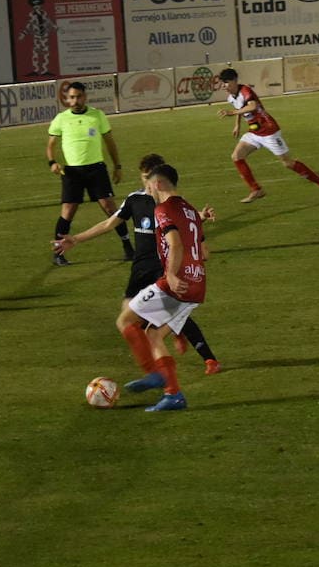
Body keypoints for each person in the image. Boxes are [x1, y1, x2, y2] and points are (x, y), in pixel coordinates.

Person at [54, 153, 222, 376]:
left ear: (157, 179)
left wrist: (199, 217)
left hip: (164, 267)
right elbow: (108, 223)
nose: (145, 183)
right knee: (138, 317)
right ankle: (163, 359)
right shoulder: (135, 200)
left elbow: (183, 228)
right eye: (143, 178)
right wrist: (76, 239)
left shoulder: (168, 205)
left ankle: (176, 368)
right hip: (140, 268)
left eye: (149, 178)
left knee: (149, 316)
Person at [116, 164, 207, 412]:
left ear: (158, 184)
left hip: (177, 282)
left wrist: (171, 275)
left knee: (125, 321)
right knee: (153, 333)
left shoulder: (163, 209)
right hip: (197, 282)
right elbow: (202, 249)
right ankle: (174, 396)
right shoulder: (189, 209)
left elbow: (175, 244)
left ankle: (155, 374)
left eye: (151, 186)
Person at [46, 81, 133, 266]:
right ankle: (58, 253)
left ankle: (128, 247)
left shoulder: (97, 115)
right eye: (72, 97)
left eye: (78, 96)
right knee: (67, 212)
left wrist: (117, 166)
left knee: (110, 208)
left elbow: (110, 142)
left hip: (96, 169)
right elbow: (51, 145)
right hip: (71, 172)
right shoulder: (61, 119)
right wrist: (52, 162)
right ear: (67, 99)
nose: (75, 100)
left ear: (85, 97)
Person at [219, 68, 319, 204]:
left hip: (268, 130)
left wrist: (231, 113)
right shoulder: (231, 97)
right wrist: (237, 125)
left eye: (226, 82)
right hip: (254, 132)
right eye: (222, 83)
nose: (224, 86)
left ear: (235, 81)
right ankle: (256, 190)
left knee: (287, 163)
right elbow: (239, 109)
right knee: (236, 156)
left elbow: (252, 106)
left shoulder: (245, 91)